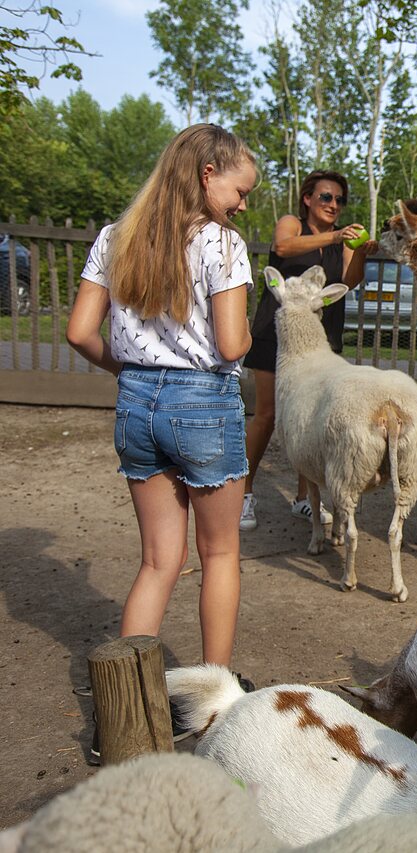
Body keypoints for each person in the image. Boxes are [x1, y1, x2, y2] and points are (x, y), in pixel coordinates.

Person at [66, 124, 258, 749]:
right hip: (203, 404)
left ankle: (122, 722)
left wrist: (129, 370)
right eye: (240, 189)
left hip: (135, 405)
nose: (243, 204)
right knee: (220, 555)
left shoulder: (116, 238)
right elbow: (231, 345)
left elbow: (78, 333)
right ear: (209, 174)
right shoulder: (222, 244)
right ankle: (214, 705)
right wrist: (251, 335)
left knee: (157, 562)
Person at [238, 170, 378, 531]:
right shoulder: (291, 224)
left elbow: (349, 282)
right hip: (277, 334)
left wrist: (359, 251)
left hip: (318, 342)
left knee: (309, 419)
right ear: (308, 200)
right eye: (326, 198)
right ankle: (245, 494)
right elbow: (282, 248)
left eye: (339, 200)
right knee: (267, 415)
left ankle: (304, 500)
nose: (334, 205)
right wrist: (336, 235)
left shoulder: (343, 241)